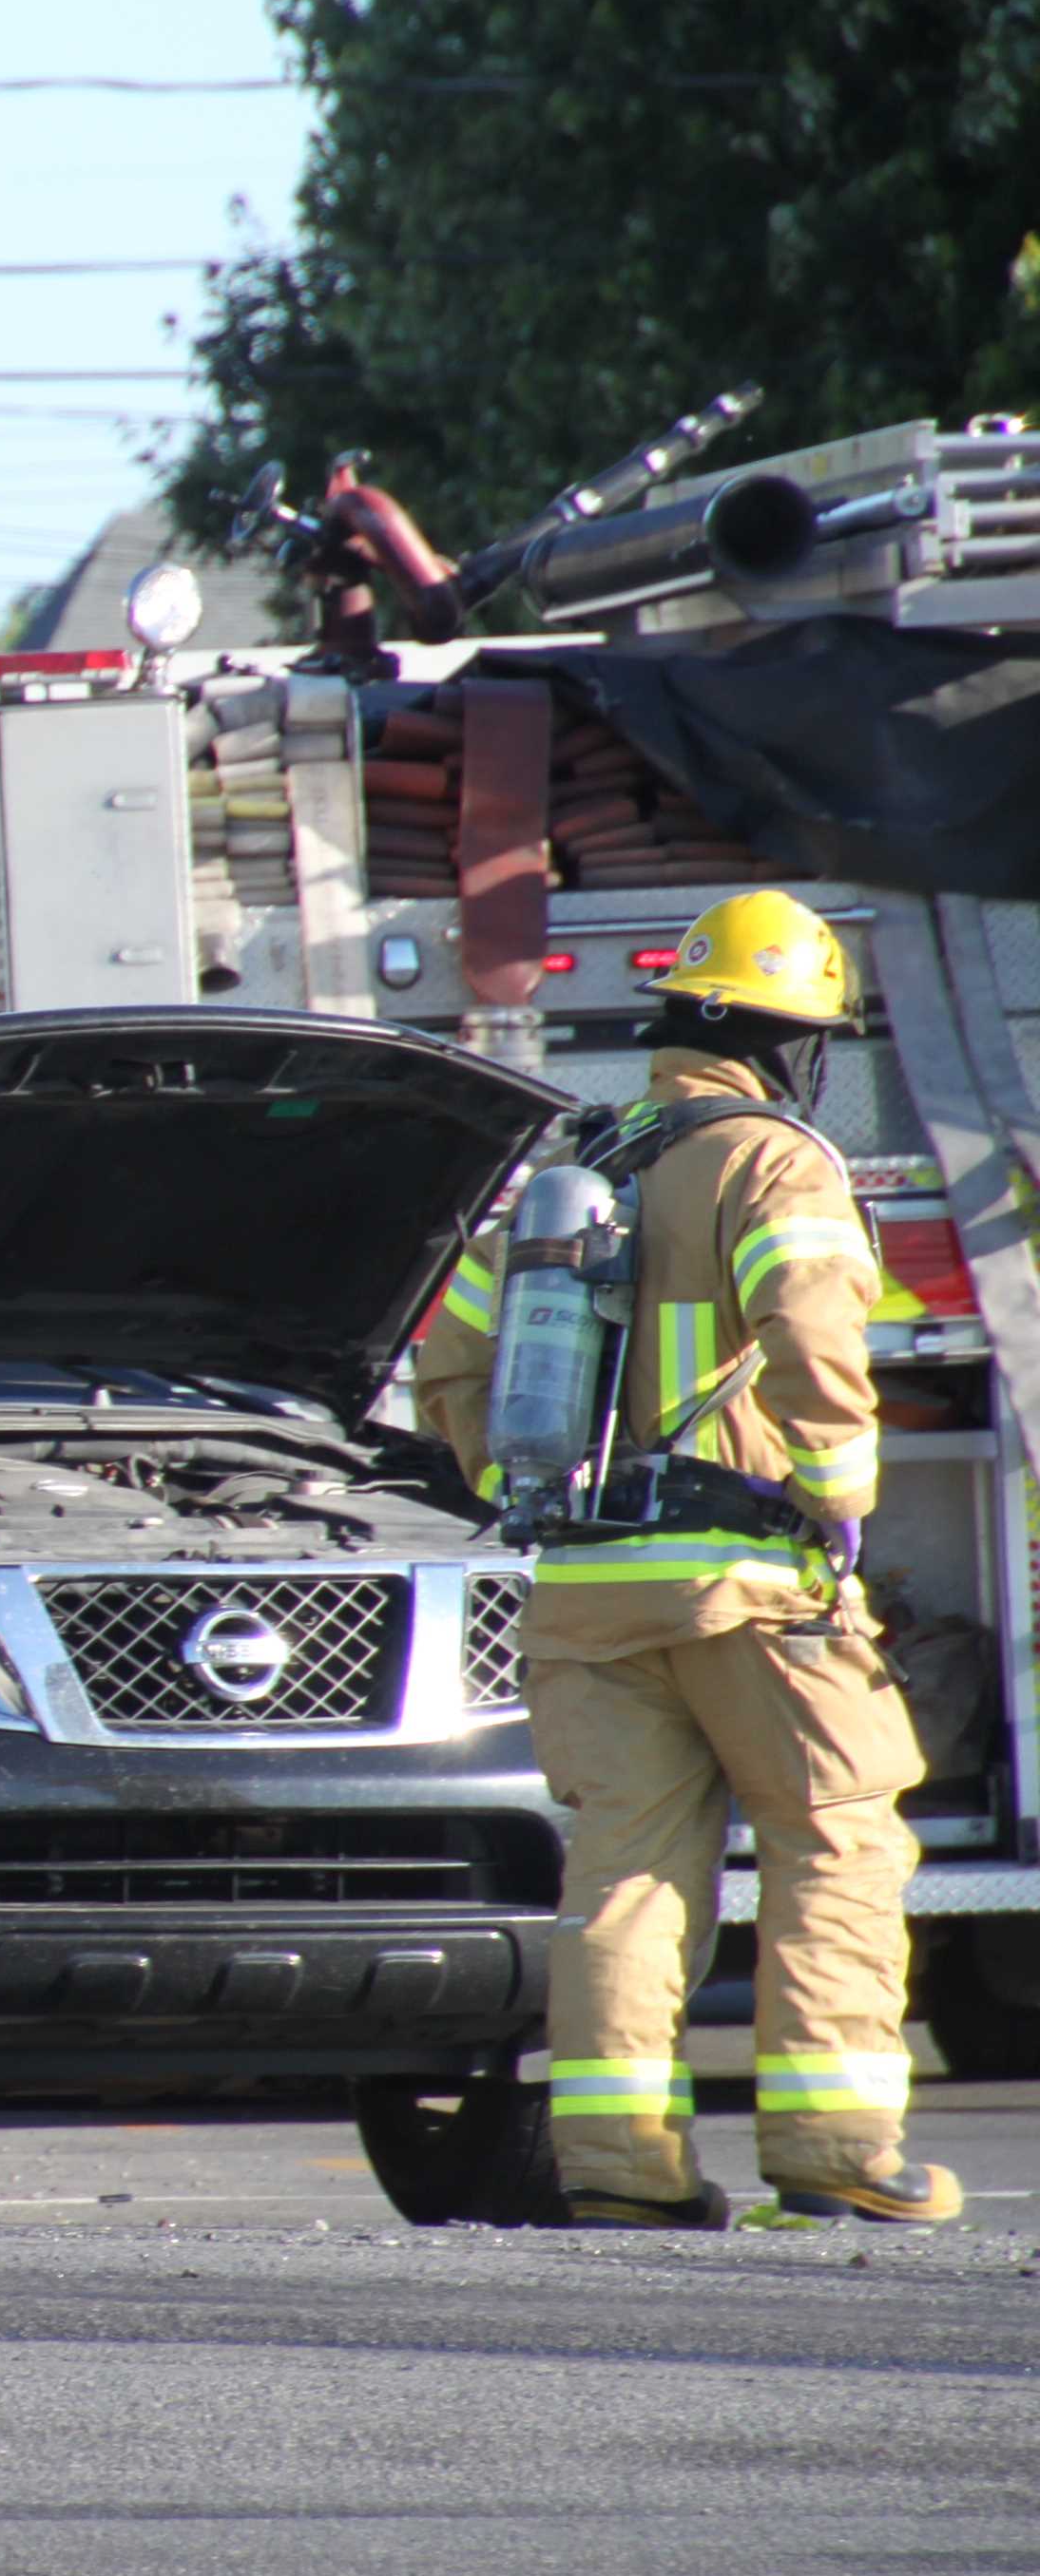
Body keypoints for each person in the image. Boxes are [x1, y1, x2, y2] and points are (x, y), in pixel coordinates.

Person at [410, 888, 956, 2228]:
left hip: (586, 1592)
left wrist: (516, 1482)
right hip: (749, 1585)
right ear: (795, 1041)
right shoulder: (775, 1160)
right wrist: (837, 1517)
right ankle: (836, 2159)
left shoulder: (580, 1161)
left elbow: (451, 1358)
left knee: (626, 1871)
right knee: (836, 1840)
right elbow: (818, 1341)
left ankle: (621, 2177)